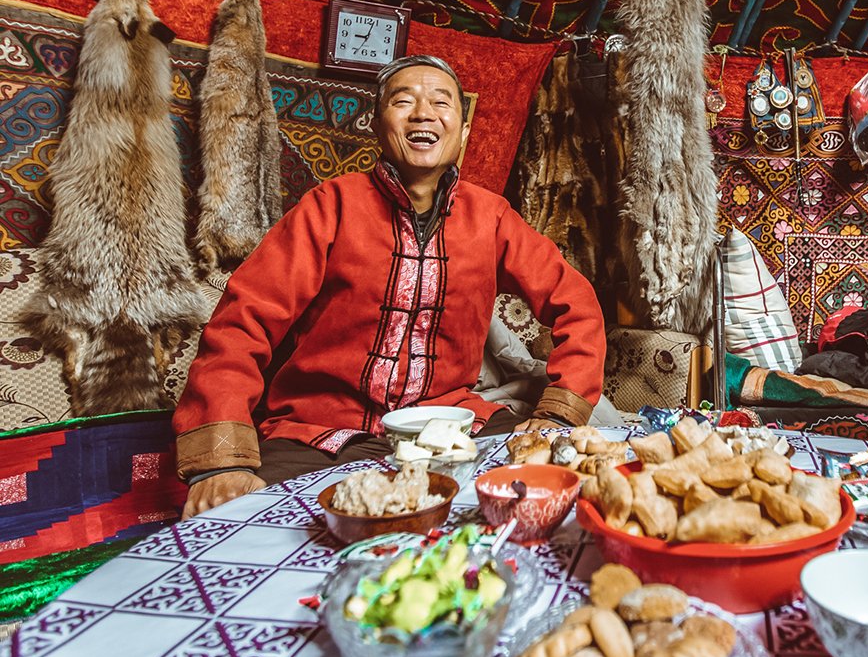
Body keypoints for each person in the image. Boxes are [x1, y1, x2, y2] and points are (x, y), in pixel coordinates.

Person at [175, 55, 606, 518]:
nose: (423, 113)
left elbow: (576, 304)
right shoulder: (329, 207)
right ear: (377, 128)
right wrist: (218, 464)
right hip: (320, 434)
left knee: (541, 501)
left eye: (442, 103)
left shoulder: (492, 218)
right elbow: (242, 322)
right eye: (404, 101)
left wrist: (556, 416)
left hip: (453, 428)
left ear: (462, 134)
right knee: (254, 522)